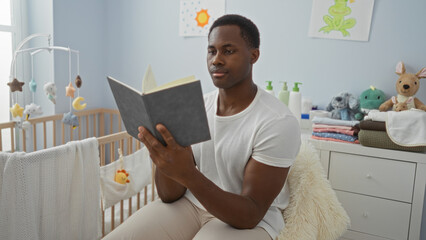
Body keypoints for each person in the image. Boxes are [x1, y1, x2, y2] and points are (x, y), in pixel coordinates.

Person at [104, 14, 301, 240]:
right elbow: (169, 196)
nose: (216, 60)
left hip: (248, 223)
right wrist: (164, 158)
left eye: (228, 51)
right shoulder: (194, 107)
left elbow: (250, 214)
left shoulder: (277, 122)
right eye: (211, 51)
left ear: (253, 56)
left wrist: (187, 173)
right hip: (192, 204)